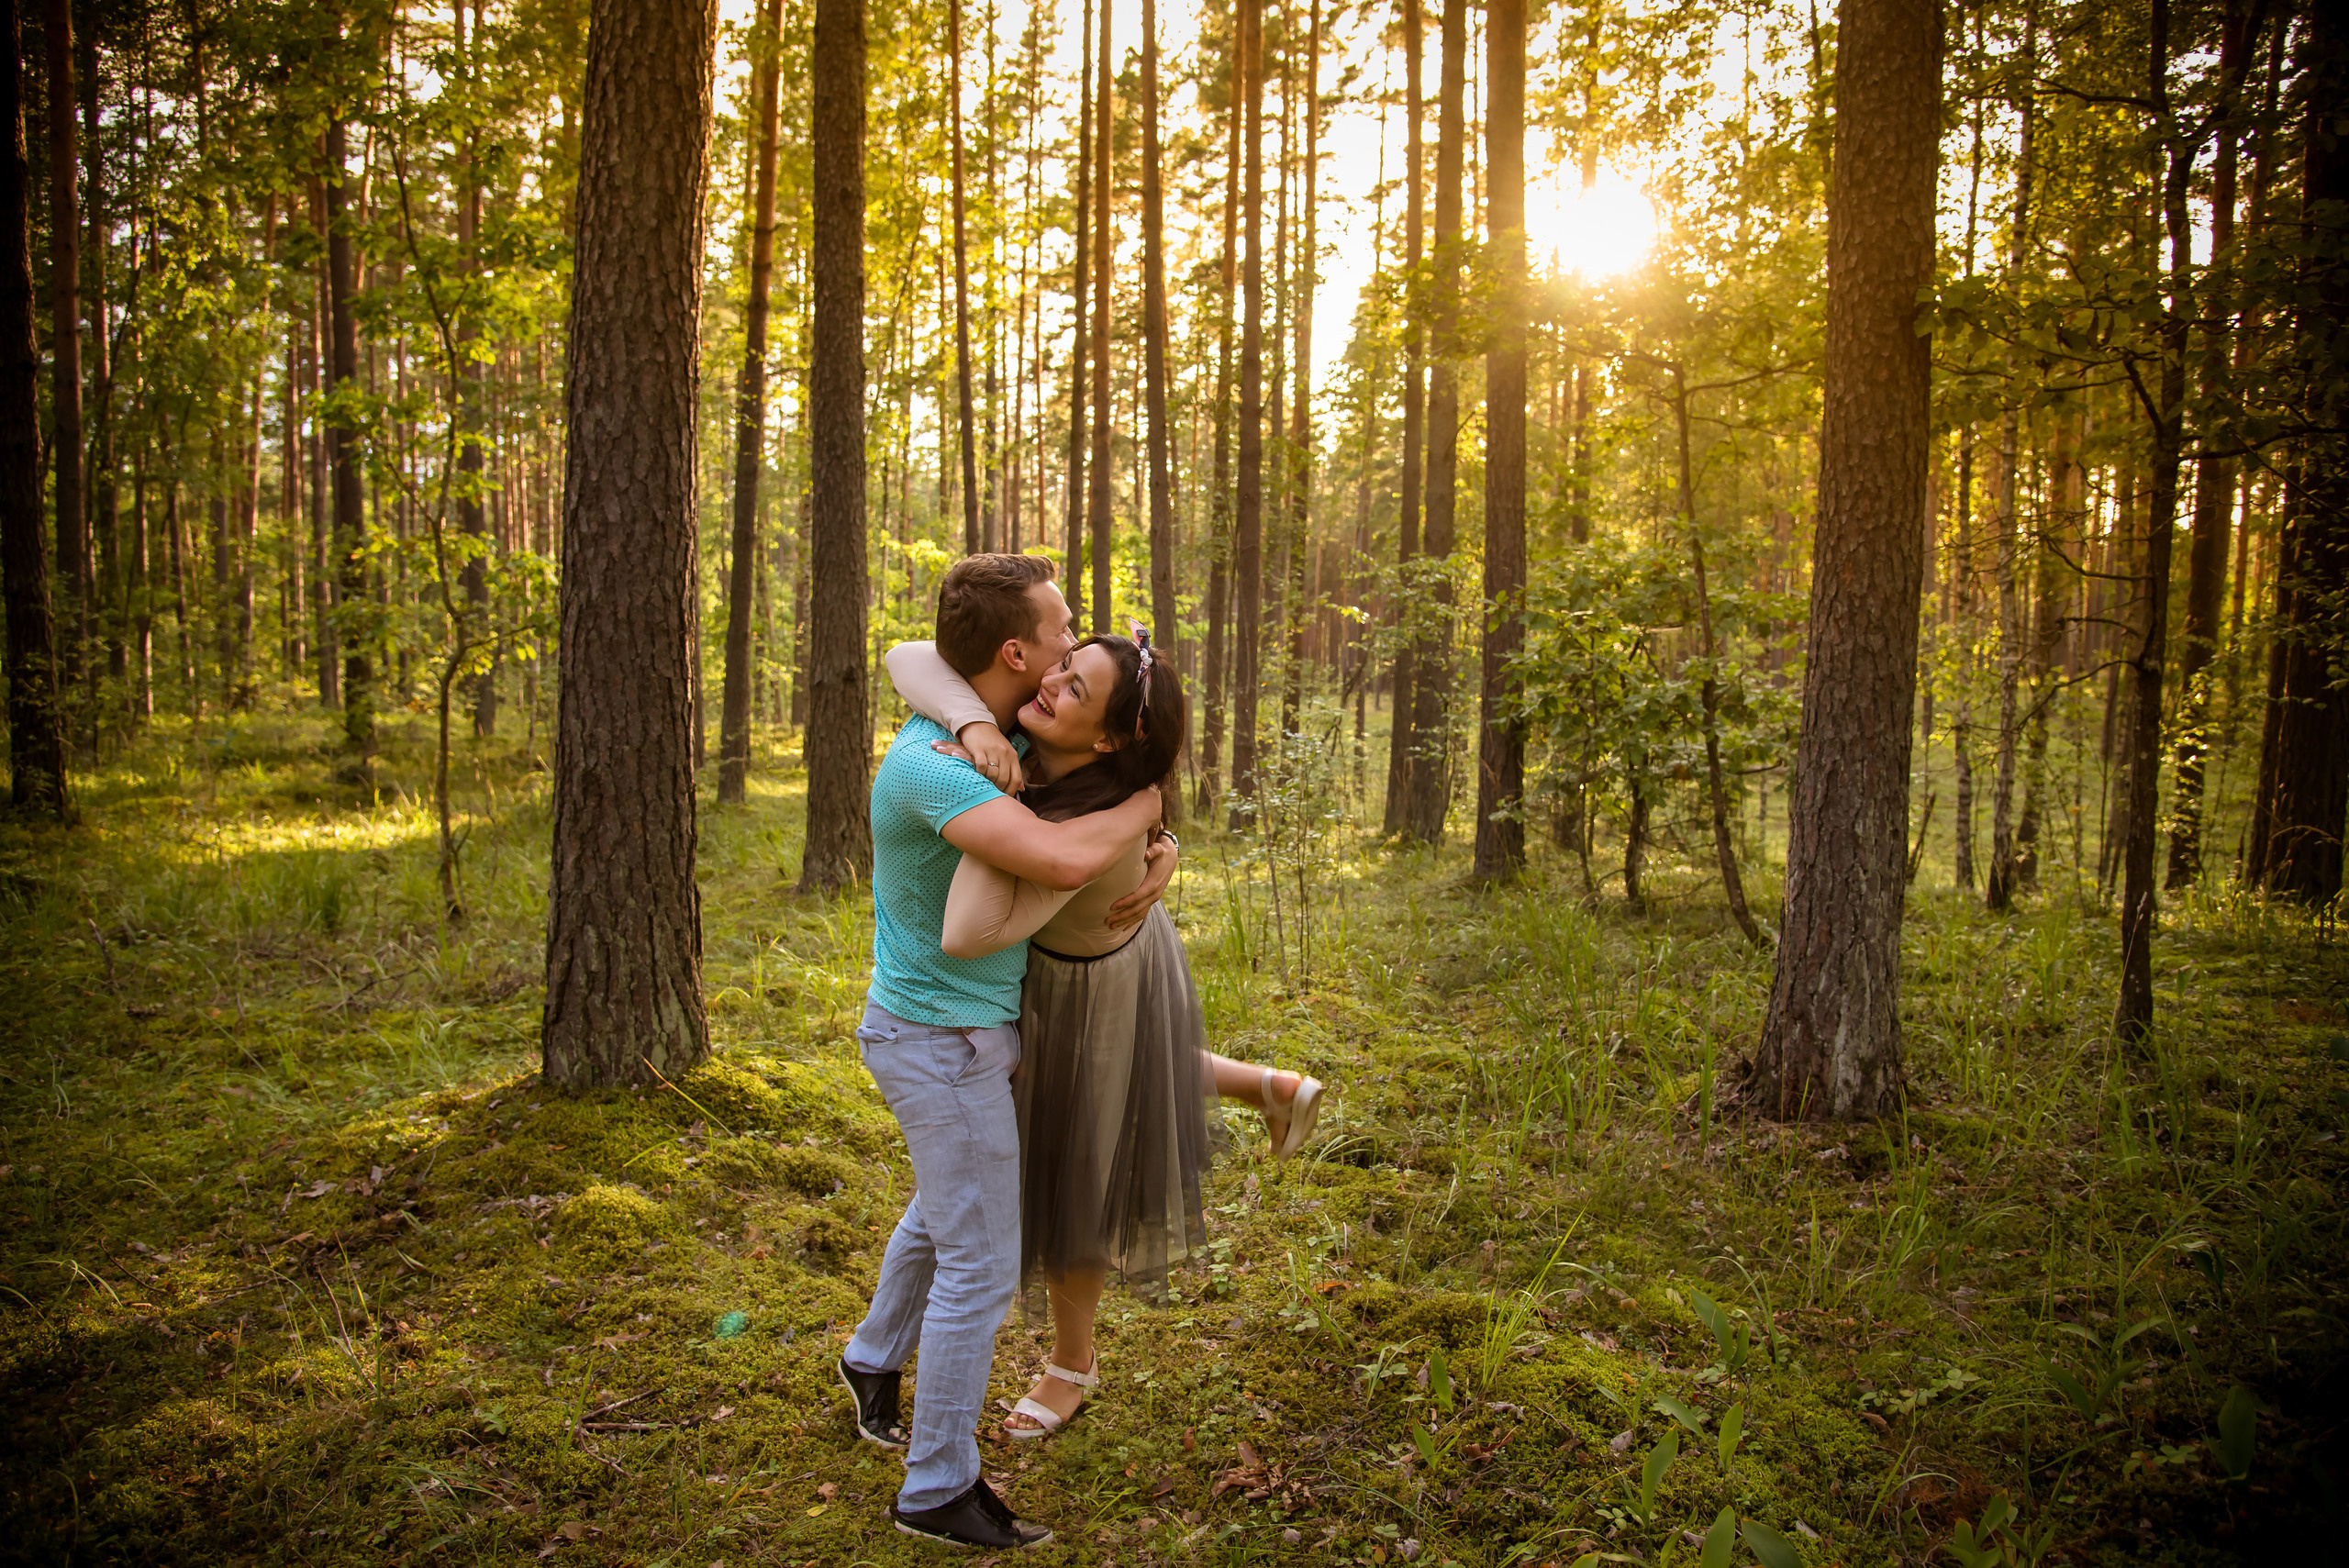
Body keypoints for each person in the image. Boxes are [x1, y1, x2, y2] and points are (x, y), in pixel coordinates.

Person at [885, 624, 1326, 1443]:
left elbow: (974, 926)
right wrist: (982, 729)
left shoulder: (1101, 821)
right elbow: (911, 656)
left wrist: (1135, 823)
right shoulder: (1059, 746)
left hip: (1084, 983)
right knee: (1128, 1075)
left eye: (1074, 689)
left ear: (1115, 737)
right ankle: (1271, 1085)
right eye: (1060, 667)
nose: (1048, 686)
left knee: (1073, 1181)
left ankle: (1071, 1362)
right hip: (1077, 963)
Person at [836, 555, 1177, 1552]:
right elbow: (1066, 862)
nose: (1075, 642)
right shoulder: (938, 768)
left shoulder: (972, 728)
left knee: (945, 1215)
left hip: (969, 1033)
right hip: (938, 1040)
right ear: (1016, 652)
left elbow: (914, 654)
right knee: (981, 1264)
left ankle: (871, 1357)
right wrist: (1148, 804)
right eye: (1062, 631)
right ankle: (935, 1484)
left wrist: (988, 721)